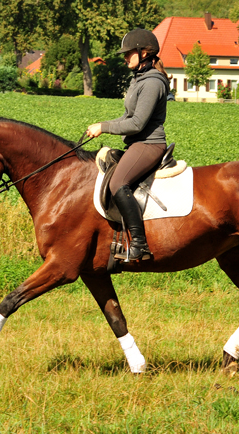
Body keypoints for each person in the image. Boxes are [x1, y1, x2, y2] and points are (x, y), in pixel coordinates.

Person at [86, 28, 171, 261]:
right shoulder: (139, 79)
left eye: (128, 53)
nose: (125, 58)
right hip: (137, 144)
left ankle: (140, 245)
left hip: (149, 144)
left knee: (118, 183)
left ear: (144, 53)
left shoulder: (153, 82)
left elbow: (136, 123)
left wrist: (104, 127)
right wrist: (100, 125)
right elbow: (125, 118)